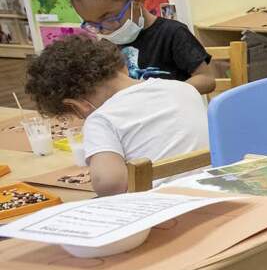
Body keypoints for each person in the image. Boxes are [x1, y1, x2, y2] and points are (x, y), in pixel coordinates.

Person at [24, 34, 208, 196]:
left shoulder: (101, 120)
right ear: (123, 67)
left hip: (162, 208)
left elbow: (110, 184)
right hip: (214, 191)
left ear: (76, 105)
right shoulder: (182, 88)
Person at [68, 0, 214, 92]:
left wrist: (166, 94)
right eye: (93, 25)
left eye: (109, 19)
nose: (104, 31)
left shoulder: (172, 33)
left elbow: (207, 80)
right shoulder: (107, 45)